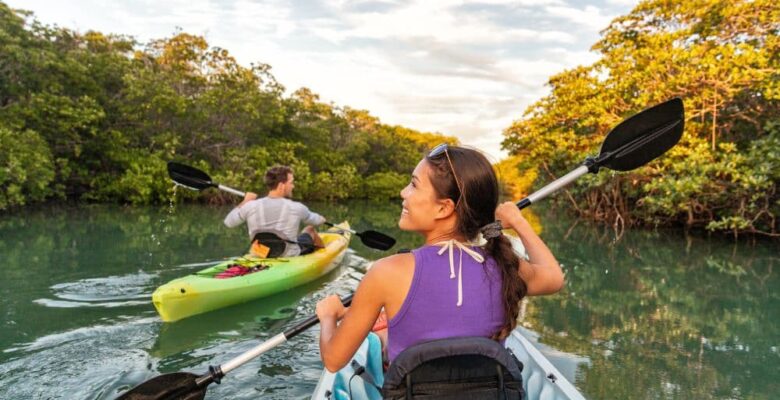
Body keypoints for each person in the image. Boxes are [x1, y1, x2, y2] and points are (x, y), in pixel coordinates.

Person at [315, 144, 564, 372]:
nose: (403, 193)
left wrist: (328, 316)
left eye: (413, 185)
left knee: (381, 336)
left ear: (443, 208)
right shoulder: (505, 265)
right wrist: (519, 222)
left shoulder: (386, 272)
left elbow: (334, 361)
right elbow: (553, 278)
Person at [224, 165, 326, 257]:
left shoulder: (250, 205)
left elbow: (228, 222)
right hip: (288, 255)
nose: (293, 186)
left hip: (261, 254)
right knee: (309, 229)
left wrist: (245, 201)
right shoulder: (296, 207)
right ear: (281, 185)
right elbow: (317, 221)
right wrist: (322, 219)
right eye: (291, 182)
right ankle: (325, 257)